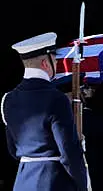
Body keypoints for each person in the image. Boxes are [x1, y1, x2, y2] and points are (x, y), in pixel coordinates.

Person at [1, 32, 88, 191]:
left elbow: (13, 149)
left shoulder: (8, 99)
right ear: (45, 63)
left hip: (23, 182)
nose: (56, 63)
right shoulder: (57, 99)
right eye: (54, 59)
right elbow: (68, 153)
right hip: (53, 181)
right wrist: (82, 185)